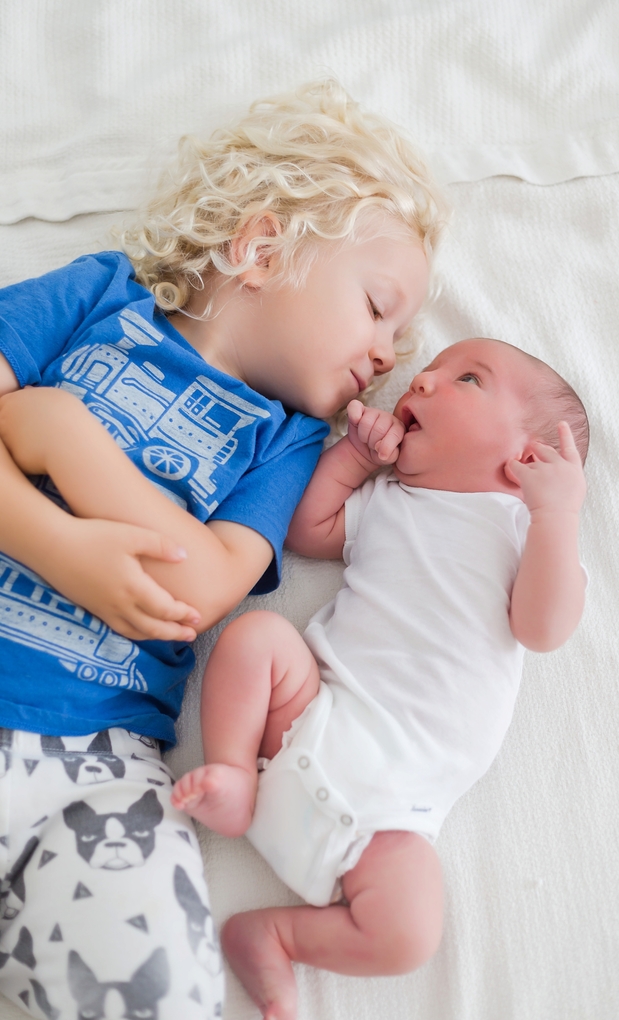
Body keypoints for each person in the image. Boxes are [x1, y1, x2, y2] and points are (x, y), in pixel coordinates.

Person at [0, 80, 446, 1019]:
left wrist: (55, 434)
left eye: (398, 336)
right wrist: (45, 537)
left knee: (156, 984)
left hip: (96, 768)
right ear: (259, 246)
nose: (387, 352)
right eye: (375, 305)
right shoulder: (96, 296)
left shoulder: (284, 443)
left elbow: (199, 587)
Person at [170, 337, 589, 1020]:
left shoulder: (527, 530)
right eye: (432, 369)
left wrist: (558, 514)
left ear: (530, 459)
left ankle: (273, 936)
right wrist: (354, 459)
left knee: (410, 933)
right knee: (256, 637)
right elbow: (308, 531)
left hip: (397, 810)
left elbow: (543, 629)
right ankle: (234, 777)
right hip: (312, 715)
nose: (420, 382)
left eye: (469, 378)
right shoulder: (390, 499)